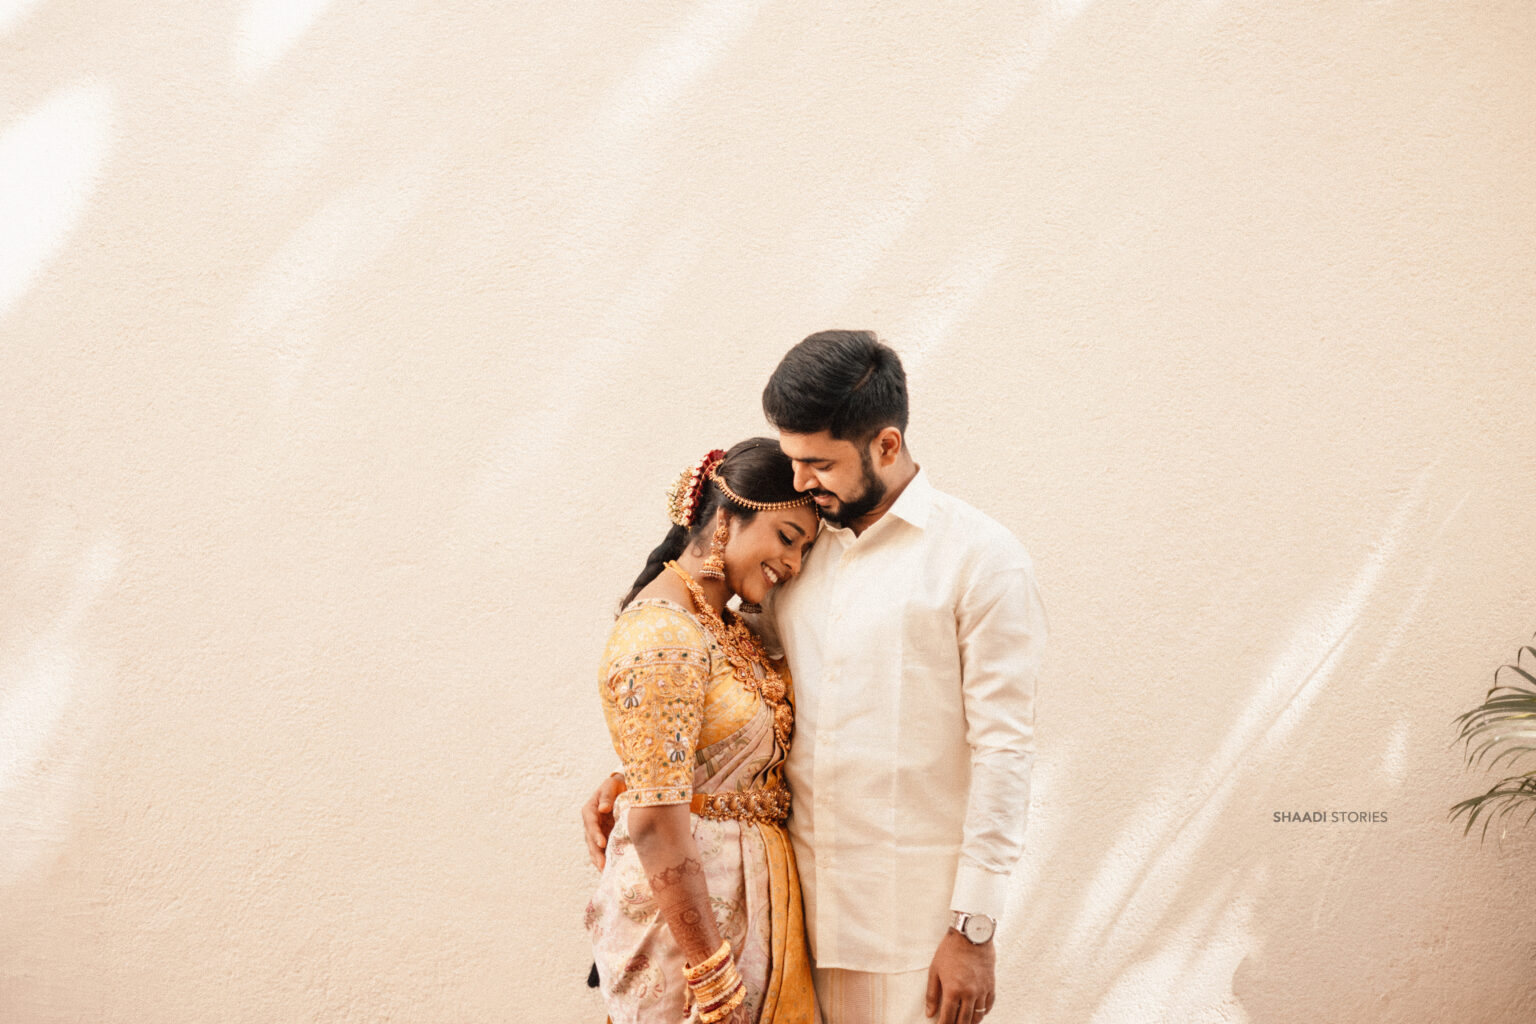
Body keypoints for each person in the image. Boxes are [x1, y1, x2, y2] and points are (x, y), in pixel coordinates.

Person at [587, 332, 1047, 1024]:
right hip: (784, 932)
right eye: (794, 459)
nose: (800, 480)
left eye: (819, 463)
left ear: (885, 446)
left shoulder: (979, 561)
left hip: (912, 934)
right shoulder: (795, 550)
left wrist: (974, 928)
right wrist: (645, 776)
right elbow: (728, 686)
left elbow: (1005, 750)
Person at [585, 437, 824, 1024]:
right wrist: (711, 975)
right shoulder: (662, 633)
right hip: (688, 942)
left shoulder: (724, 624)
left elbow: (693, 753)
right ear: (725, 521)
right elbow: (656, 824)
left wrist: (626, 776)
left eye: (804, 550)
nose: (793, 564)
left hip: (750, 907)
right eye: (786, 537)